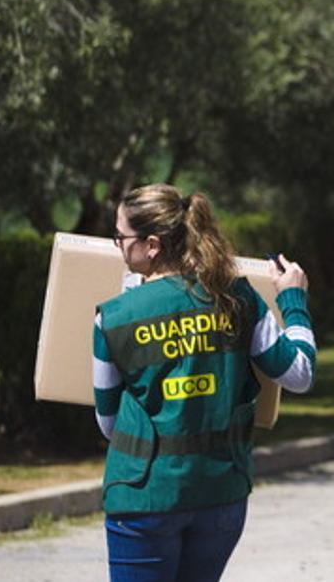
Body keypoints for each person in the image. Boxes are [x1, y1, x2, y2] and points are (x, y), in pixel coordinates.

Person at [93, 184, 317, 582]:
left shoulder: (113, 317)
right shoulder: (237, 297)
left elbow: (110, 425)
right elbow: (299, 374)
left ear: (153, 245)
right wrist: (293, 301)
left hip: (144, 495)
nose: (118, 247)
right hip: (221, 492)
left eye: (121, 237)